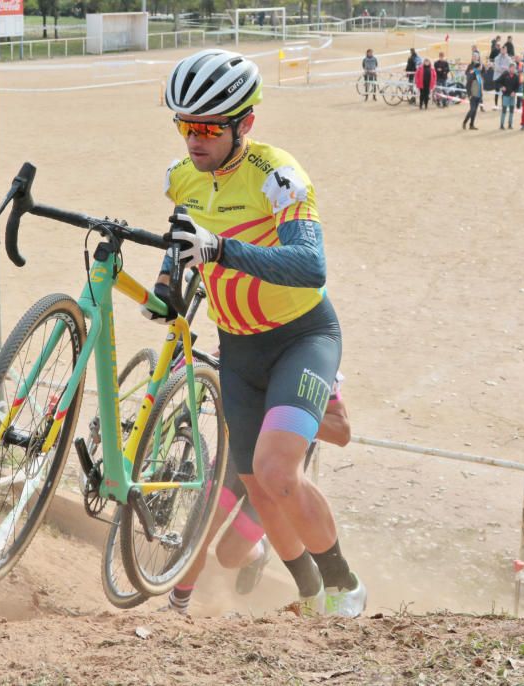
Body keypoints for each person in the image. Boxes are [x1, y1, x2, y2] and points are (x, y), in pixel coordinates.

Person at [159, 49, 366, 617]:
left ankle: (344, 585)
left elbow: (310, 265)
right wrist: (166, 286)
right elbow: (180, 250)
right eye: (184, 126)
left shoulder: (278, 177)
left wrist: (220, 248)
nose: (193, 140)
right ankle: (309, 594)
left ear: (244, 123)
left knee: (278, 473)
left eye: (206, 128)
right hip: (238, 348)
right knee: (258, 487)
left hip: (301, 336)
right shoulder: (181, 180)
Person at [166, 374, 351, 614]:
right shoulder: (251, 339)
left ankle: (259, 552)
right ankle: (177, 608)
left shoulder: (314, 366)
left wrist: (287, 416)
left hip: (276, 475)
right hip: (234, 460)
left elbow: (342, 432)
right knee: (200, 530)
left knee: (228, 556)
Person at [495, 62, 520, 129]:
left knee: (512, 111)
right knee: (504, 110)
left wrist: (514, 92)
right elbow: (497, 82)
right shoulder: (505, 74)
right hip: (505, 95)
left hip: (512, 96)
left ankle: (510, 124)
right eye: (512, 68)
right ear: (509, 68)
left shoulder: (516, 76)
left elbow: (518, 86)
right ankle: (501, 125)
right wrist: (501, 87)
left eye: (514, 68)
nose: (513, 69)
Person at [462, 65, 483, 130]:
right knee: (472, 110)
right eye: (480, 67)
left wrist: (481, 94)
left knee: (475, 111)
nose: (481, 68)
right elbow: (468, 85)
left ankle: (471, 125)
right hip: (473, 95)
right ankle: (464, 122)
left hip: (478, 95)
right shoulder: (472, 74)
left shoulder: (479, 74)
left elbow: (480, 84)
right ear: (478, 67)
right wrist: (469, 94)